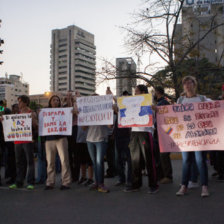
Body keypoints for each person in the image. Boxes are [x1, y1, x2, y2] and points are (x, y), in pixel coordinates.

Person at [176, 76, 209, 197]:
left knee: (200, 160)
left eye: (190, 83)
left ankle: (204, 187)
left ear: (194, 85)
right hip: (185, 136)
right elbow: (172, 114)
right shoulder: (180, 100)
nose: (187, 85)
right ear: (183, 86)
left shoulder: (202, 99)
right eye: (185, 83)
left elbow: (216, 107)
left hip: (199, 136)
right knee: (186, 161)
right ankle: (184, 186)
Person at [124, 85, 158, 194]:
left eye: (137, 91)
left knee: (149, 160)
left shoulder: (150, 103)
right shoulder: (132, 103)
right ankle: (136, 184)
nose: (135, 93)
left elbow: (156, 114)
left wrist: (155, 109)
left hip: (146, 132)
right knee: (135, 160)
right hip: (134, 132)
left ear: (143, 92)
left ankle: (153, 185)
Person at [9, 95, 37, 190]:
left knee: (29, 161)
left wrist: (33, 119)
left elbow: (36, 125)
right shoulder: (18, 114)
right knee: (19, 162)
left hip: (27, 140)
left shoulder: (31, 112)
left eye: (20, 101)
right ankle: (19, 181)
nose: (19, 104)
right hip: (18, 141)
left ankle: (30, 182)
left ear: (25, 102)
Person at [44, 95, 71, 190]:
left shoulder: (63, 111)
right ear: (50, 102)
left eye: (57, 100)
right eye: (53, 100)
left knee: (64, 160)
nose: (55, 101)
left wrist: (68, 99)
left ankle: (65, 182)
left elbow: (69, 110)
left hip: (61, 138)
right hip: (49, 139)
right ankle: (50, 182)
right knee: (50, 162)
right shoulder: (45, 112)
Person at [154, 86, 173, 184]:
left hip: (164, 132)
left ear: (157, 92)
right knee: (160, 155)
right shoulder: (161, 102)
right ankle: (162, 175)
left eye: (154, 92)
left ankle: (167, 176)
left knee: (163, 155)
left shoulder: (163, 103)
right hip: (160, 132)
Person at [114, 91, 132, 187]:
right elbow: (114, 110)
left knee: (129, 159)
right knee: (118, 159)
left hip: (129, 136)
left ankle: (129, 179)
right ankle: (121, 178)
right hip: (118, 135)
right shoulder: (118, 107)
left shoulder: (133, 108)